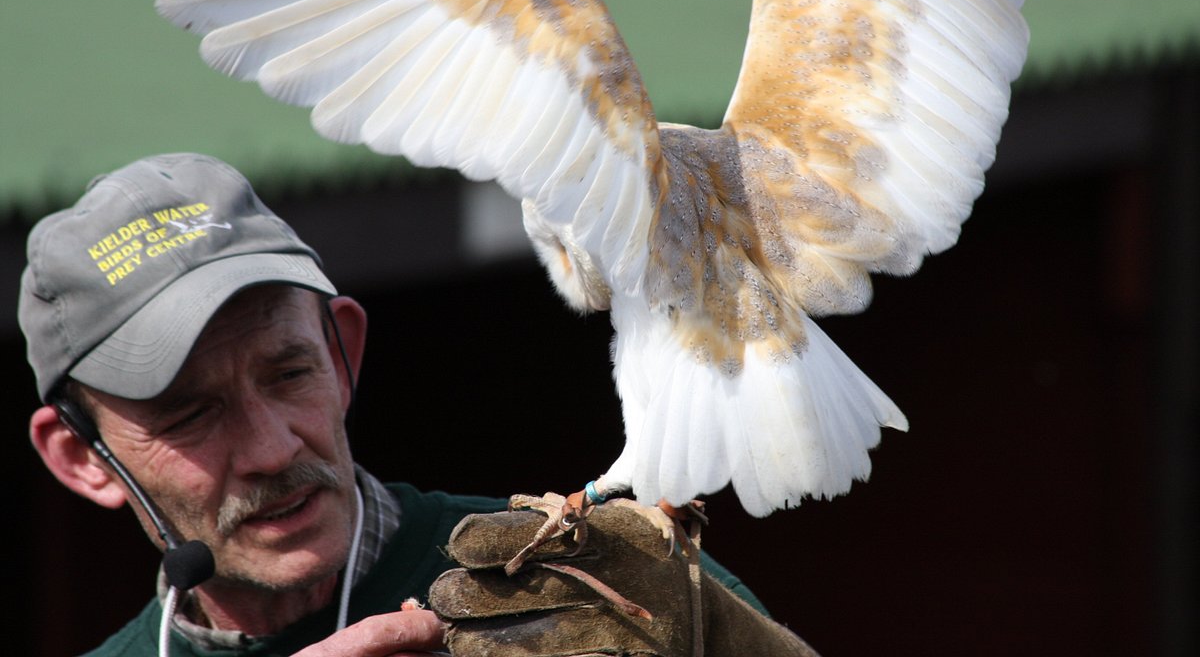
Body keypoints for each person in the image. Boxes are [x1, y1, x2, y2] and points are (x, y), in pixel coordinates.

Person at [22, 152, 818, 656]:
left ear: (344, 352)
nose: (271, 448)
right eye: (191, 415)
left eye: (289, 372)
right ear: (81, 457)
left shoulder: (599, 586)